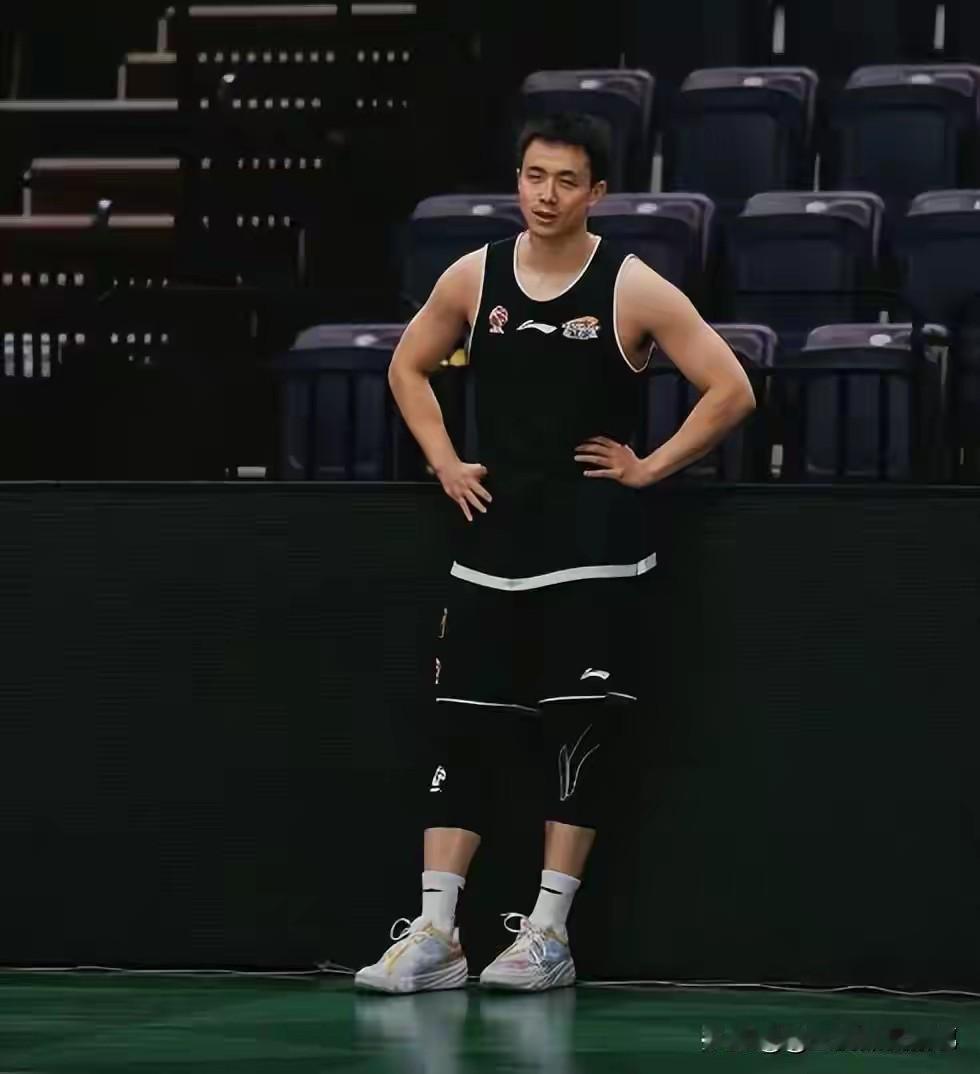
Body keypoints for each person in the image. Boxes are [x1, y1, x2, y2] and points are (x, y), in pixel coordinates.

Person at [355, 112, 755, 994]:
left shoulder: (631, 285)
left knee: (577, 736)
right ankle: (437, 934)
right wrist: (445, 460)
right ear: (518, 181)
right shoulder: (475, 274)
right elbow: (406, 367)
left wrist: (649, 466)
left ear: (595, 193)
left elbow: (730, 388)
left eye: (566, 180)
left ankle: (548, 933)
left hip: (592, 550)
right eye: (535, 176)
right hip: (490, 543)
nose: (546, 195)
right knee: (464, 725)